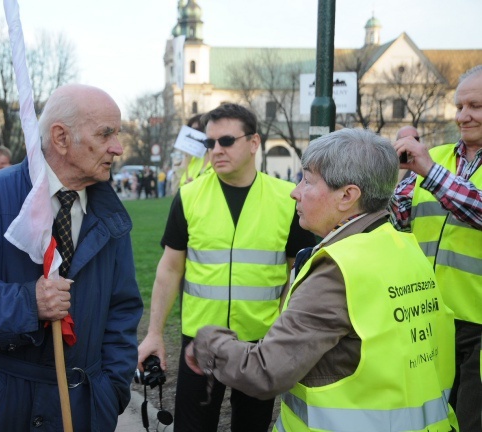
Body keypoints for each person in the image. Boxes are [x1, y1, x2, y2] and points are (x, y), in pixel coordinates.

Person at [186, 128, 458, 431]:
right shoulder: (405, 247)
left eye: (307, 180)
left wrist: (208, 343)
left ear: (347, 196)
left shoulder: (338, 269)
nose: (295, 191)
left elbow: (264, 371)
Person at [0, 84, 143, 431]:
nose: (118, 147)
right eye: (105, 133)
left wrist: (110, 391)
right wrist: (26, 303)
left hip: (80, 407)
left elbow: (123, 310)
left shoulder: (110, 215)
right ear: (61, 138)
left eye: (117, 132)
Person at [138, 103, 316, 432]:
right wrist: (154, 333)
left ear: (254, 142)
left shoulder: (285, 199)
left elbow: (298, 275)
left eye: (226, 141)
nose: (216, 150)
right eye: (210, 143)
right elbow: (169, 269)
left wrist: (284, 331)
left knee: (251, 427)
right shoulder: (189, 196)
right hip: (199, 342)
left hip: (261, 344)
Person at [390, 65, 482, 432]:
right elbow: (396, 220)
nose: (463, 116)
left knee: (471, 418)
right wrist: (392, 175)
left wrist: (427, 170)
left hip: (478, 324)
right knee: (429, 416)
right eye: (459, 106)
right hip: (429, 315)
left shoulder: (432, 165)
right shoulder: (436, 158)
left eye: (475, 105)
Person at [179, 114, 213, 188]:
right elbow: (179, 185)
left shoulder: (217, 155)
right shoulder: (192, 159)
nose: (194, 135)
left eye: (197, 130)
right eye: (191, 130)